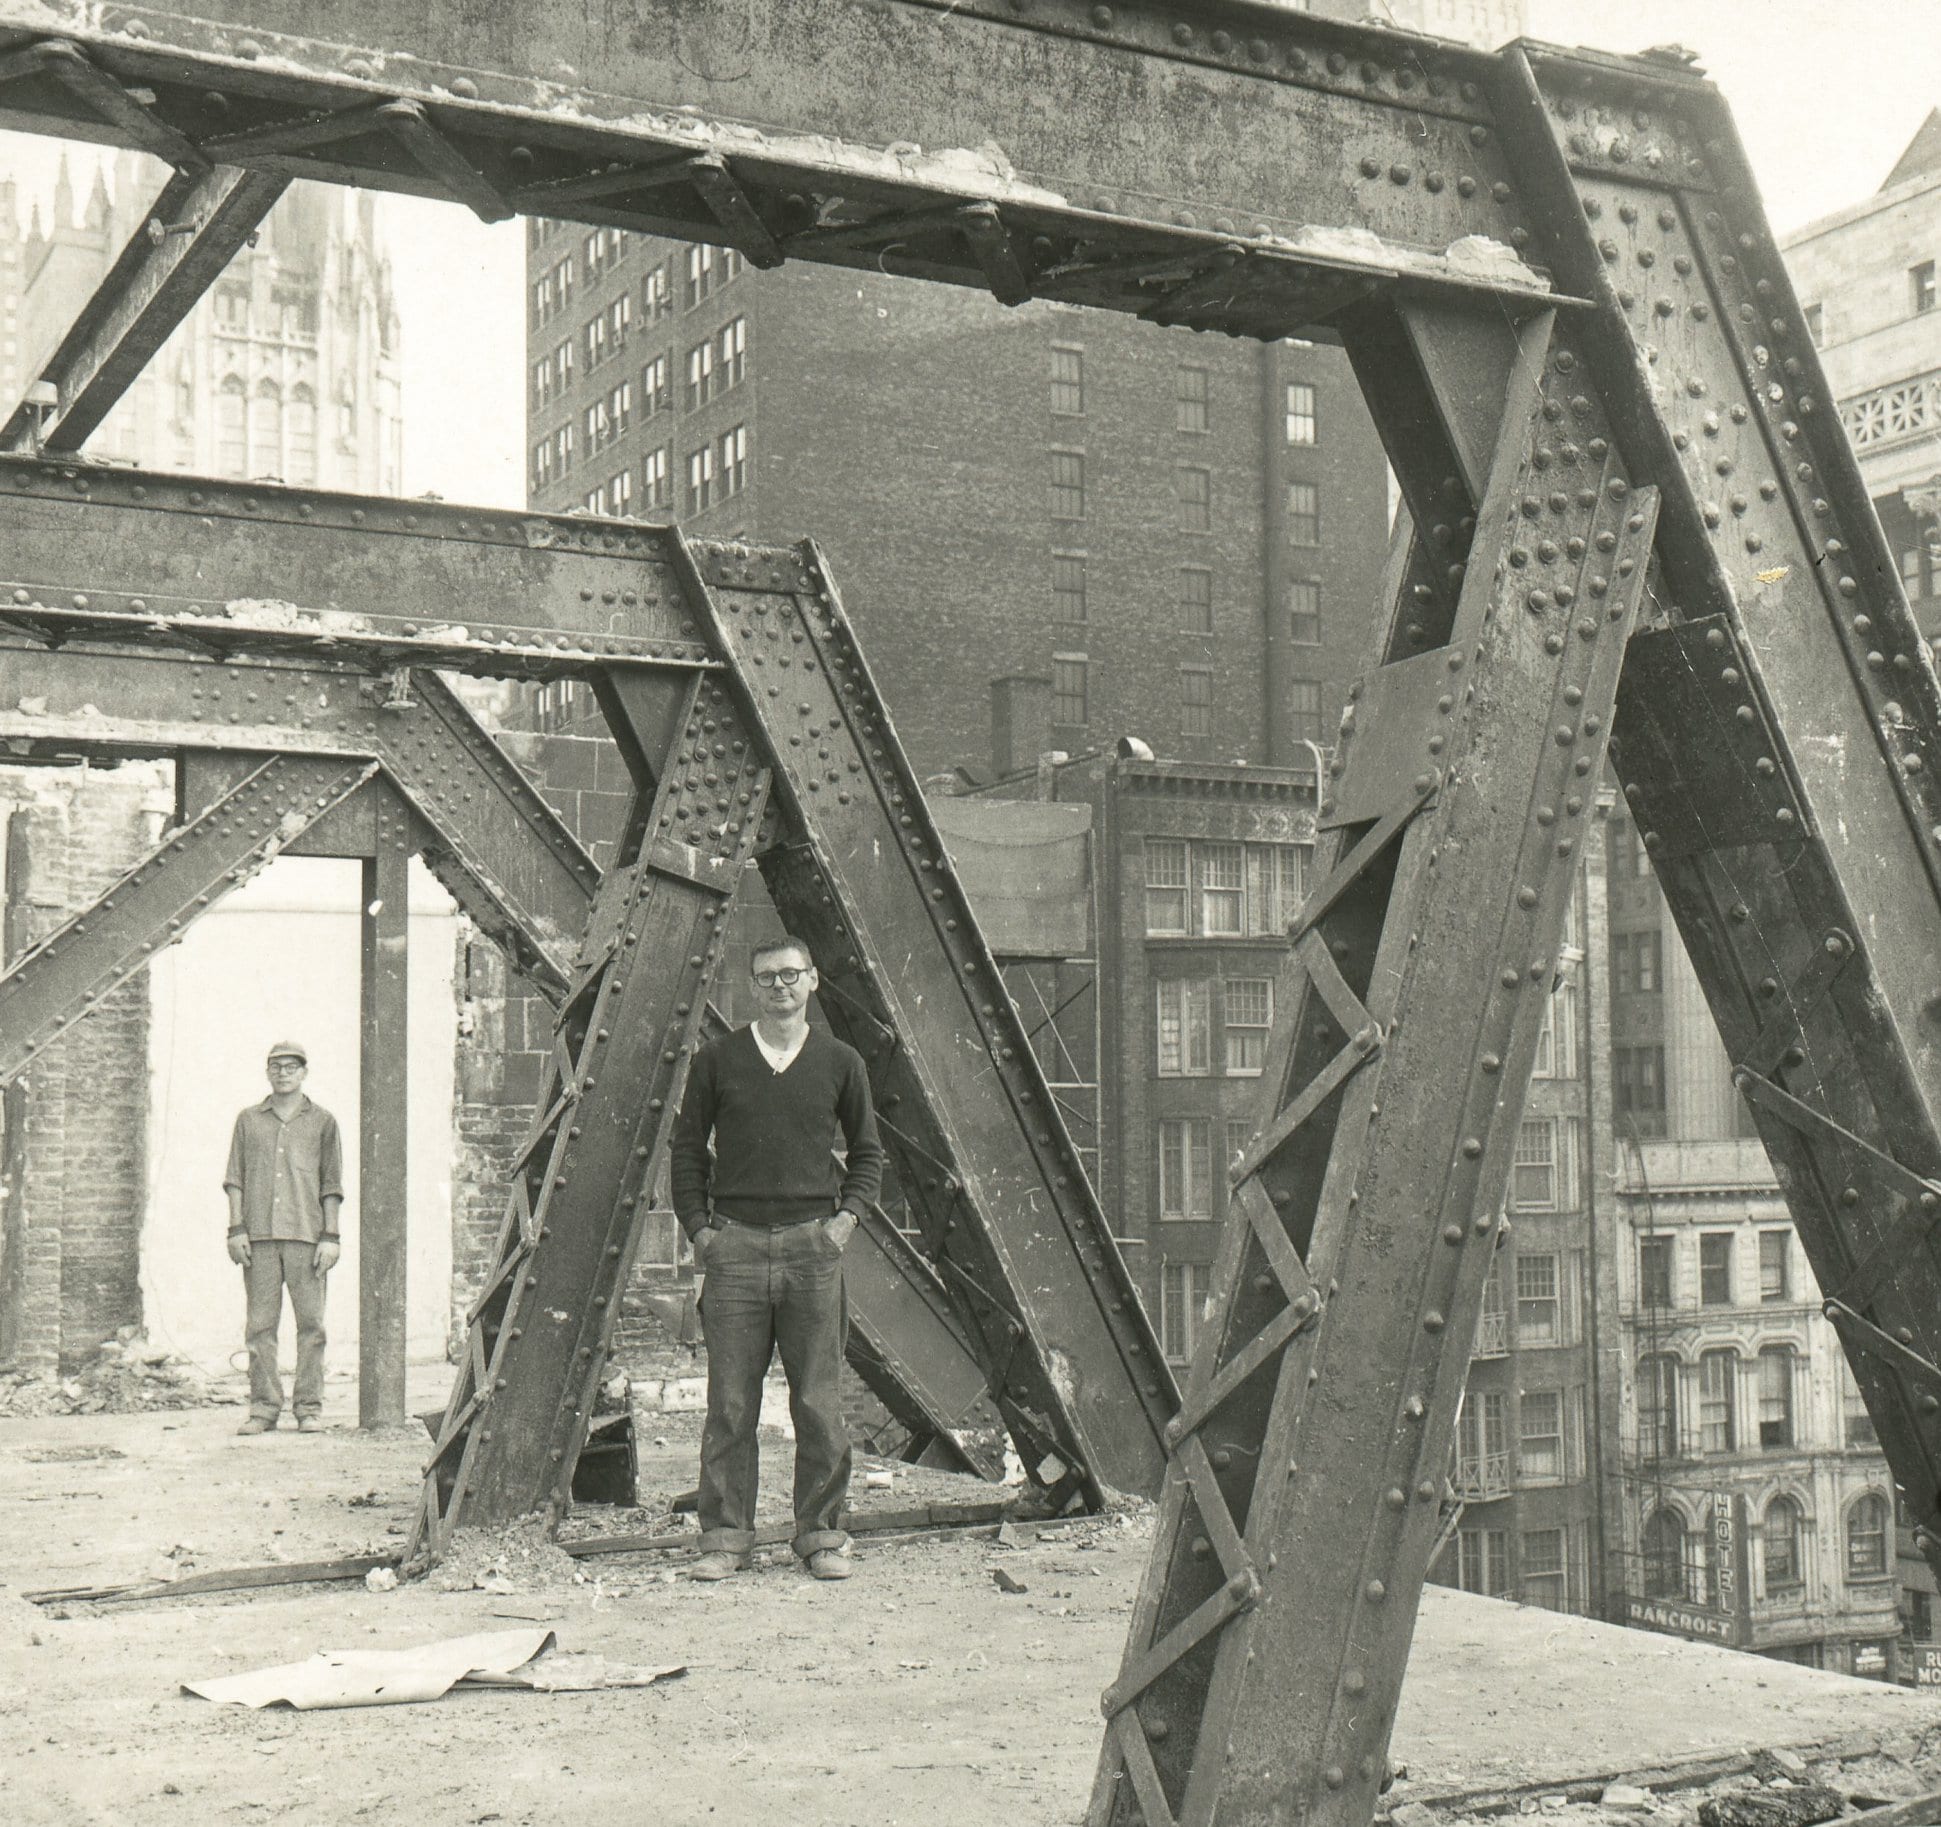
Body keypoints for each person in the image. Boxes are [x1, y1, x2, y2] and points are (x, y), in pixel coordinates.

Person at [670, 935, 884, 1582]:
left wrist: (843, 1223)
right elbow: (687, 1151)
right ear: (752, 986)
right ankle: (725, 1538)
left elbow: (868, 1153)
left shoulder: (840, 1062)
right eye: (766, 977)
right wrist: (701, 1231)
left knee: (817, 1400)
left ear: (812, 979)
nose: (779, 987)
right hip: (734, 1247)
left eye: (791, 974)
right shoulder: (718, 1060)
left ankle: (821, 1535)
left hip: (811, 1249)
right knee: (729, 1404)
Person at [224, 1042, 344, 1435]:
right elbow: (235, 1179)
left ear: (304, 1073)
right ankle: (263, 1409)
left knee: (312, 1326)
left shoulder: (323, 1122)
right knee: (260, 1327)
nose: (283, 1073)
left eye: (292, 1067)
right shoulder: (248, 1120)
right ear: (267, 1072)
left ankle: (308, 1408)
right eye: (276, 1066)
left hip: (307, 1237)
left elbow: (331, 1184)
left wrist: (331, 1236)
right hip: (258, 1238)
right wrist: (236, 1229)